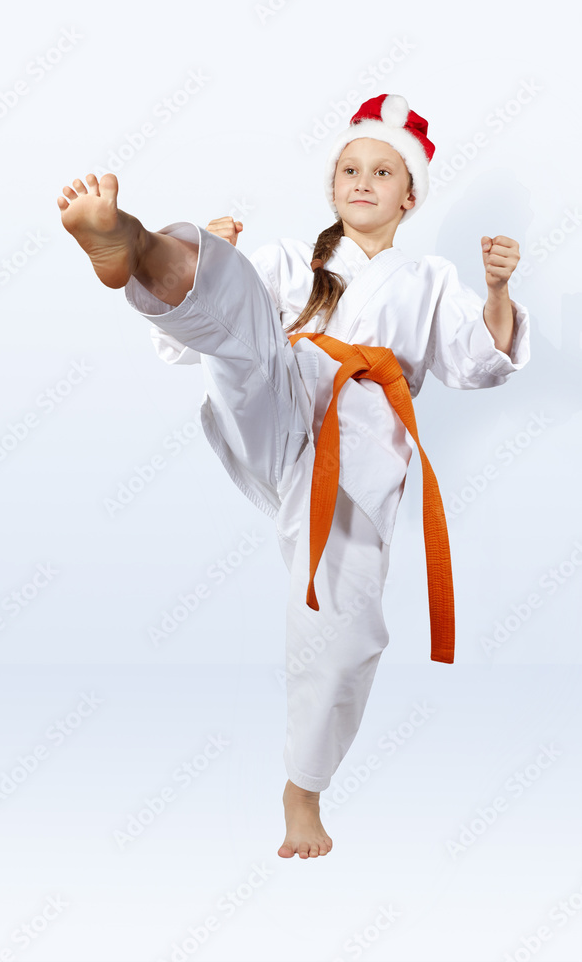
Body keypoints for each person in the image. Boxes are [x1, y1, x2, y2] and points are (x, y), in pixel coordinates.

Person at [56, 93, 530, 860]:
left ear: (409, 196)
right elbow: (190, 346)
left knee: (349, 628)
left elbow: (479, 363)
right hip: (280, 399)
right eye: (349, 168)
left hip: (361, 451)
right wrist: (213, 256)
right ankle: (133, 243)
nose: (361, 181)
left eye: (382, 171)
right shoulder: (292, 260)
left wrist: (499, 293)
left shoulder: (431, 279)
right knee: (240, 313)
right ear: (332, 185)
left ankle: (301, 789)